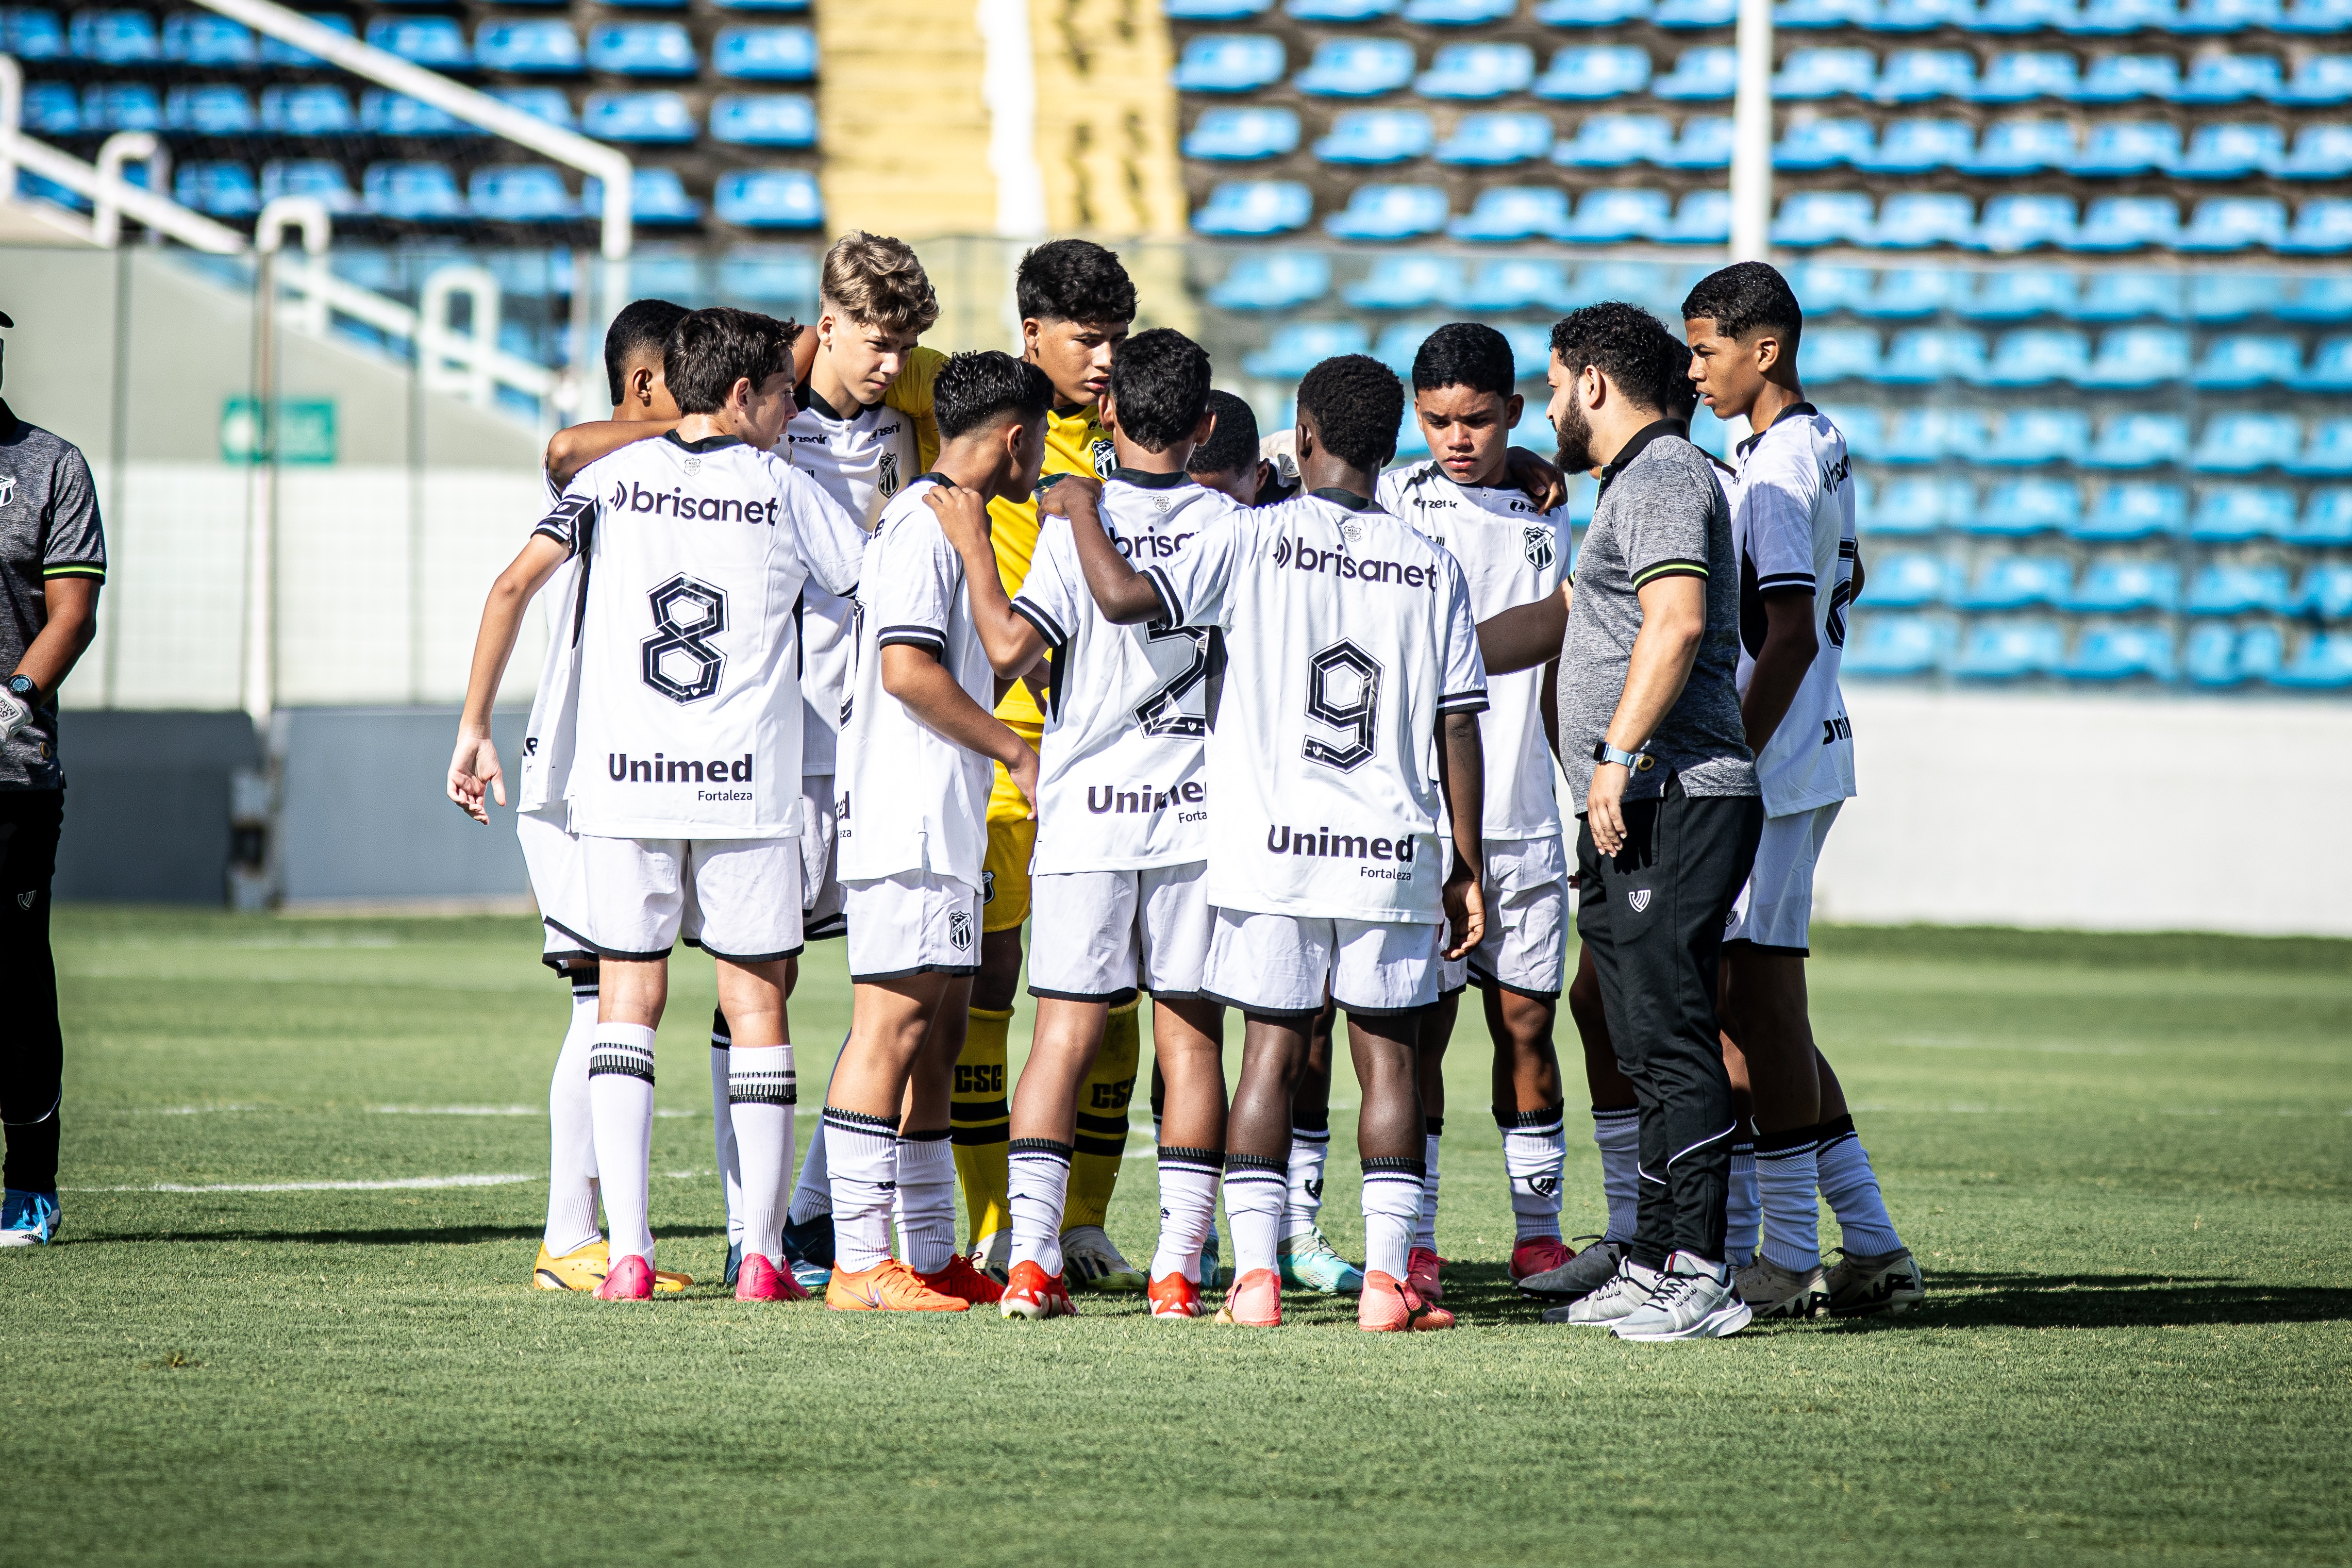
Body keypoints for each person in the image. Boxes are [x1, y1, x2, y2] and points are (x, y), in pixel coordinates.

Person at [1057, 353, 1490, 1334]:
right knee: (1391, 1067)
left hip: (1274, 850)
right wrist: (1468, 861)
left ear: (1303, 435)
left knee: (1269, 1057)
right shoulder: (1434, 562)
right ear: (1394, 447)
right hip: (1392, 851)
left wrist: (1079, 505)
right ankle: (1387, 1285)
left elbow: (1126, 601)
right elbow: (1458, 725)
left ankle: (1253, 1283)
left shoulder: (1253, 540)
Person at [450, 306, 866, 1302]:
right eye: (782, 396)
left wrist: (473, 729)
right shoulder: (783, 485)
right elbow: (867, 589)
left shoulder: (608, 481)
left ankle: (627, 1253)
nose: (791, 412)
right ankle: (761, 1255)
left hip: (625, 781)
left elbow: (510, 588)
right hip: (748, 786)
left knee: (626, 1004)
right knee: (756, 1004)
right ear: (742, 396)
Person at [928, 327, 1234, 1321]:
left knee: (1058, 1035)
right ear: (1202, 423)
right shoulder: (1234, 527)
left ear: (1107, 412)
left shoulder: (1068, 526)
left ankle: (1031, 1261)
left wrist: (978, 544)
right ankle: (1179, 1271)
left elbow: (1012, 649)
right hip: (1194, 819)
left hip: (1086, 818)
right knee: (1188, 1040)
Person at [1682, 261, 1923, 1320]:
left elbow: (1781, 631)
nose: (1693, 372)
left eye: (1704, 350)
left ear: (1762, 349)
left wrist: (1725, 754)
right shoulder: (1811, 442)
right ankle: (1864, 1243)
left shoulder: (1779, 463)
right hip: (1804, 750)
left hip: (1771, 767)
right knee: (1755, 1001)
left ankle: (1781, 1257)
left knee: (1758, 1003)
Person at [1531, 302, 1764, 1341]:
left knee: (1668, 1036)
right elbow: (1590, 623)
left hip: (1673, 793)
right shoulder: (1630, 483)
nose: (1546, 407)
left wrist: (1616, 759)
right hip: (1634, 800)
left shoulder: (1666, 474)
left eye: (1547, 386)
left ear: (1589, 384)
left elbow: (1673, 625)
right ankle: (1652, 1254)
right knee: (1636, 1032)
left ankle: (1698, 1269)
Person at [821, 351, 1051, 1313]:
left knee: (941, 1031)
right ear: (1013, 437)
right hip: (907, 815)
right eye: (1038, 435)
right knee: (892, 1024)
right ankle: (855, 1259)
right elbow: (906, 671)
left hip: (942, 821)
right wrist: (1014, 749)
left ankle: (922, 1249)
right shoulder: (922, 524)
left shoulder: (954, 527)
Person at [956, 240, 1148, 1290]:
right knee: (985, 992)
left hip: (1108, 760)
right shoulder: (977, 409)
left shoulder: (1146, 426)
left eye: (1116, 336)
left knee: (1106, 1002)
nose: (1106, 358)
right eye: (1085, 337)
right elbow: (834, 355)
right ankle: (995, 1219)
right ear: (1030, 334)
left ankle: (1082, 1221)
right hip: (999, 764)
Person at [1375, 324, 1576, 1303]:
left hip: (1523, 811)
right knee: (1419, 1033)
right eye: (1438, 419)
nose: (1457, 438)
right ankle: (1414, 1236)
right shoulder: (1389, 496)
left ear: (1517, 413)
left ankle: (1538, 1234)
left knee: (1526, 1022)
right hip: (1420, 813)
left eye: (1480, 420)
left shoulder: (1552, 516)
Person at [501, 297, 696, 1293]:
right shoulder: (605, 471)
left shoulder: (656, 474)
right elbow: (561, 452)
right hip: (581, 767)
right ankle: (568, 1235)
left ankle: (586, 1235)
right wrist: (468, 731)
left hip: (621, 765)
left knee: (614, 996)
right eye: (687, 380)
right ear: (644, 385)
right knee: (602, 999)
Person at [0, 307, 106, 1249]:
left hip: (10, 772)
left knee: (13, 979)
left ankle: (30, 1182)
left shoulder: (51, 466)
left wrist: (16, 694)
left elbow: (72, 611)